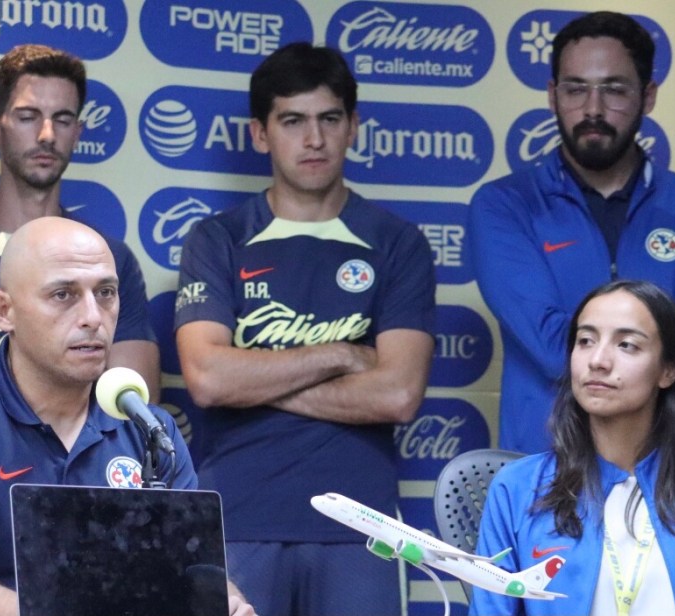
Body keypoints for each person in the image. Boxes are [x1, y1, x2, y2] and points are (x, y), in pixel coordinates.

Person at [174, 42, 436, 615]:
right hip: (237, 517)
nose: (313, 139)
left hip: (359, 527)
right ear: (260, 134)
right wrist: (341, 354)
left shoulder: (397, 243)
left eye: (329, 119)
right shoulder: (218, 240)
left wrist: (254, 380)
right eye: (293, 121)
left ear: (353, 127)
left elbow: (397, 393)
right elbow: (209, 380)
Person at [0, 217, 254, 616]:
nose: (93, 317)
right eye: (63, 295)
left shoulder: (149, 428)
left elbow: (197, 570)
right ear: (4, 311)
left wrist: (226, 602)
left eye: (106, 293)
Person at [469, 10, 675, 455]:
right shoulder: (505, 205)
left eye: (614, 89)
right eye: (576, 89)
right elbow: (552, 346)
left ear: (647, 96)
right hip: (545, 472)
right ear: (553, 95)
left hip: (670, 473)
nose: (593, 109)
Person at [471, 280, 675, 615]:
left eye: (626, 345)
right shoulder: (517, 487)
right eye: (585, 341)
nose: (598, 360)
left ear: (668, 370)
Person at [0, 44, 160, 400]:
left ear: (77, 132)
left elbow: (137, 404)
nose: (47, 134)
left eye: (62, 120)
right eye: (28, 117)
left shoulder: (109, 259)